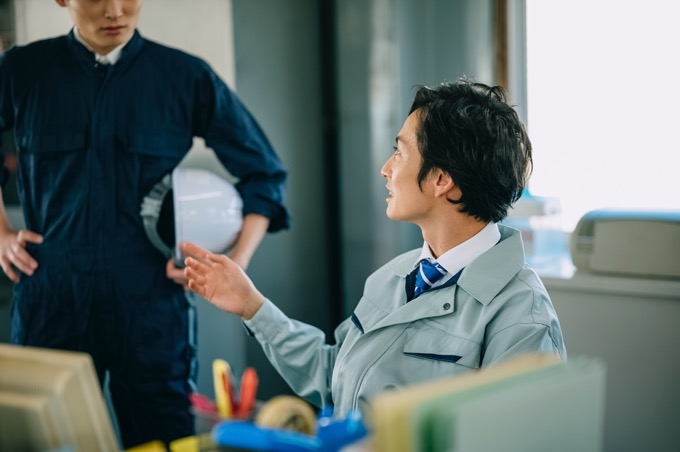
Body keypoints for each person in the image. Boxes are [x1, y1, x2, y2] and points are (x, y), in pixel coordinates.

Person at [181, 78, 566, 418]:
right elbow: (336, 375)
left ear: (442, 179)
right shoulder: (393, 277)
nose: (386, 168)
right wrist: (252, 306)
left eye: (400, 152)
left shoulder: (521, 319)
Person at [0, 0, 289, 448]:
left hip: (151, 307)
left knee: (163, 441)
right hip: (52, 301)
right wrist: (1, 233)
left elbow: (265, 175)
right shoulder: (22, 70)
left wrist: (234, 261)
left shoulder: (184, 77)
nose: (115, 9)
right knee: (48, 440)